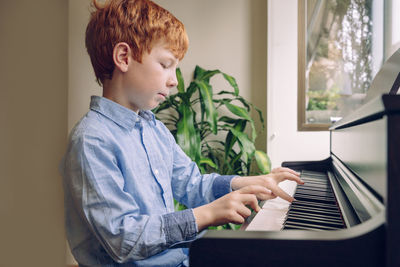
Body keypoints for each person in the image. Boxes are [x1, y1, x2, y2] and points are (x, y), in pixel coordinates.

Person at [60, 0, 304, 266]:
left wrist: (246, 183)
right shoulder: (92, 140)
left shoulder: (153, 128)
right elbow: (123, 238)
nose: (174, 80)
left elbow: (192, 184)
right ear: (124, 58)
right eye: (166, 64)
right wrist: (207, 214)